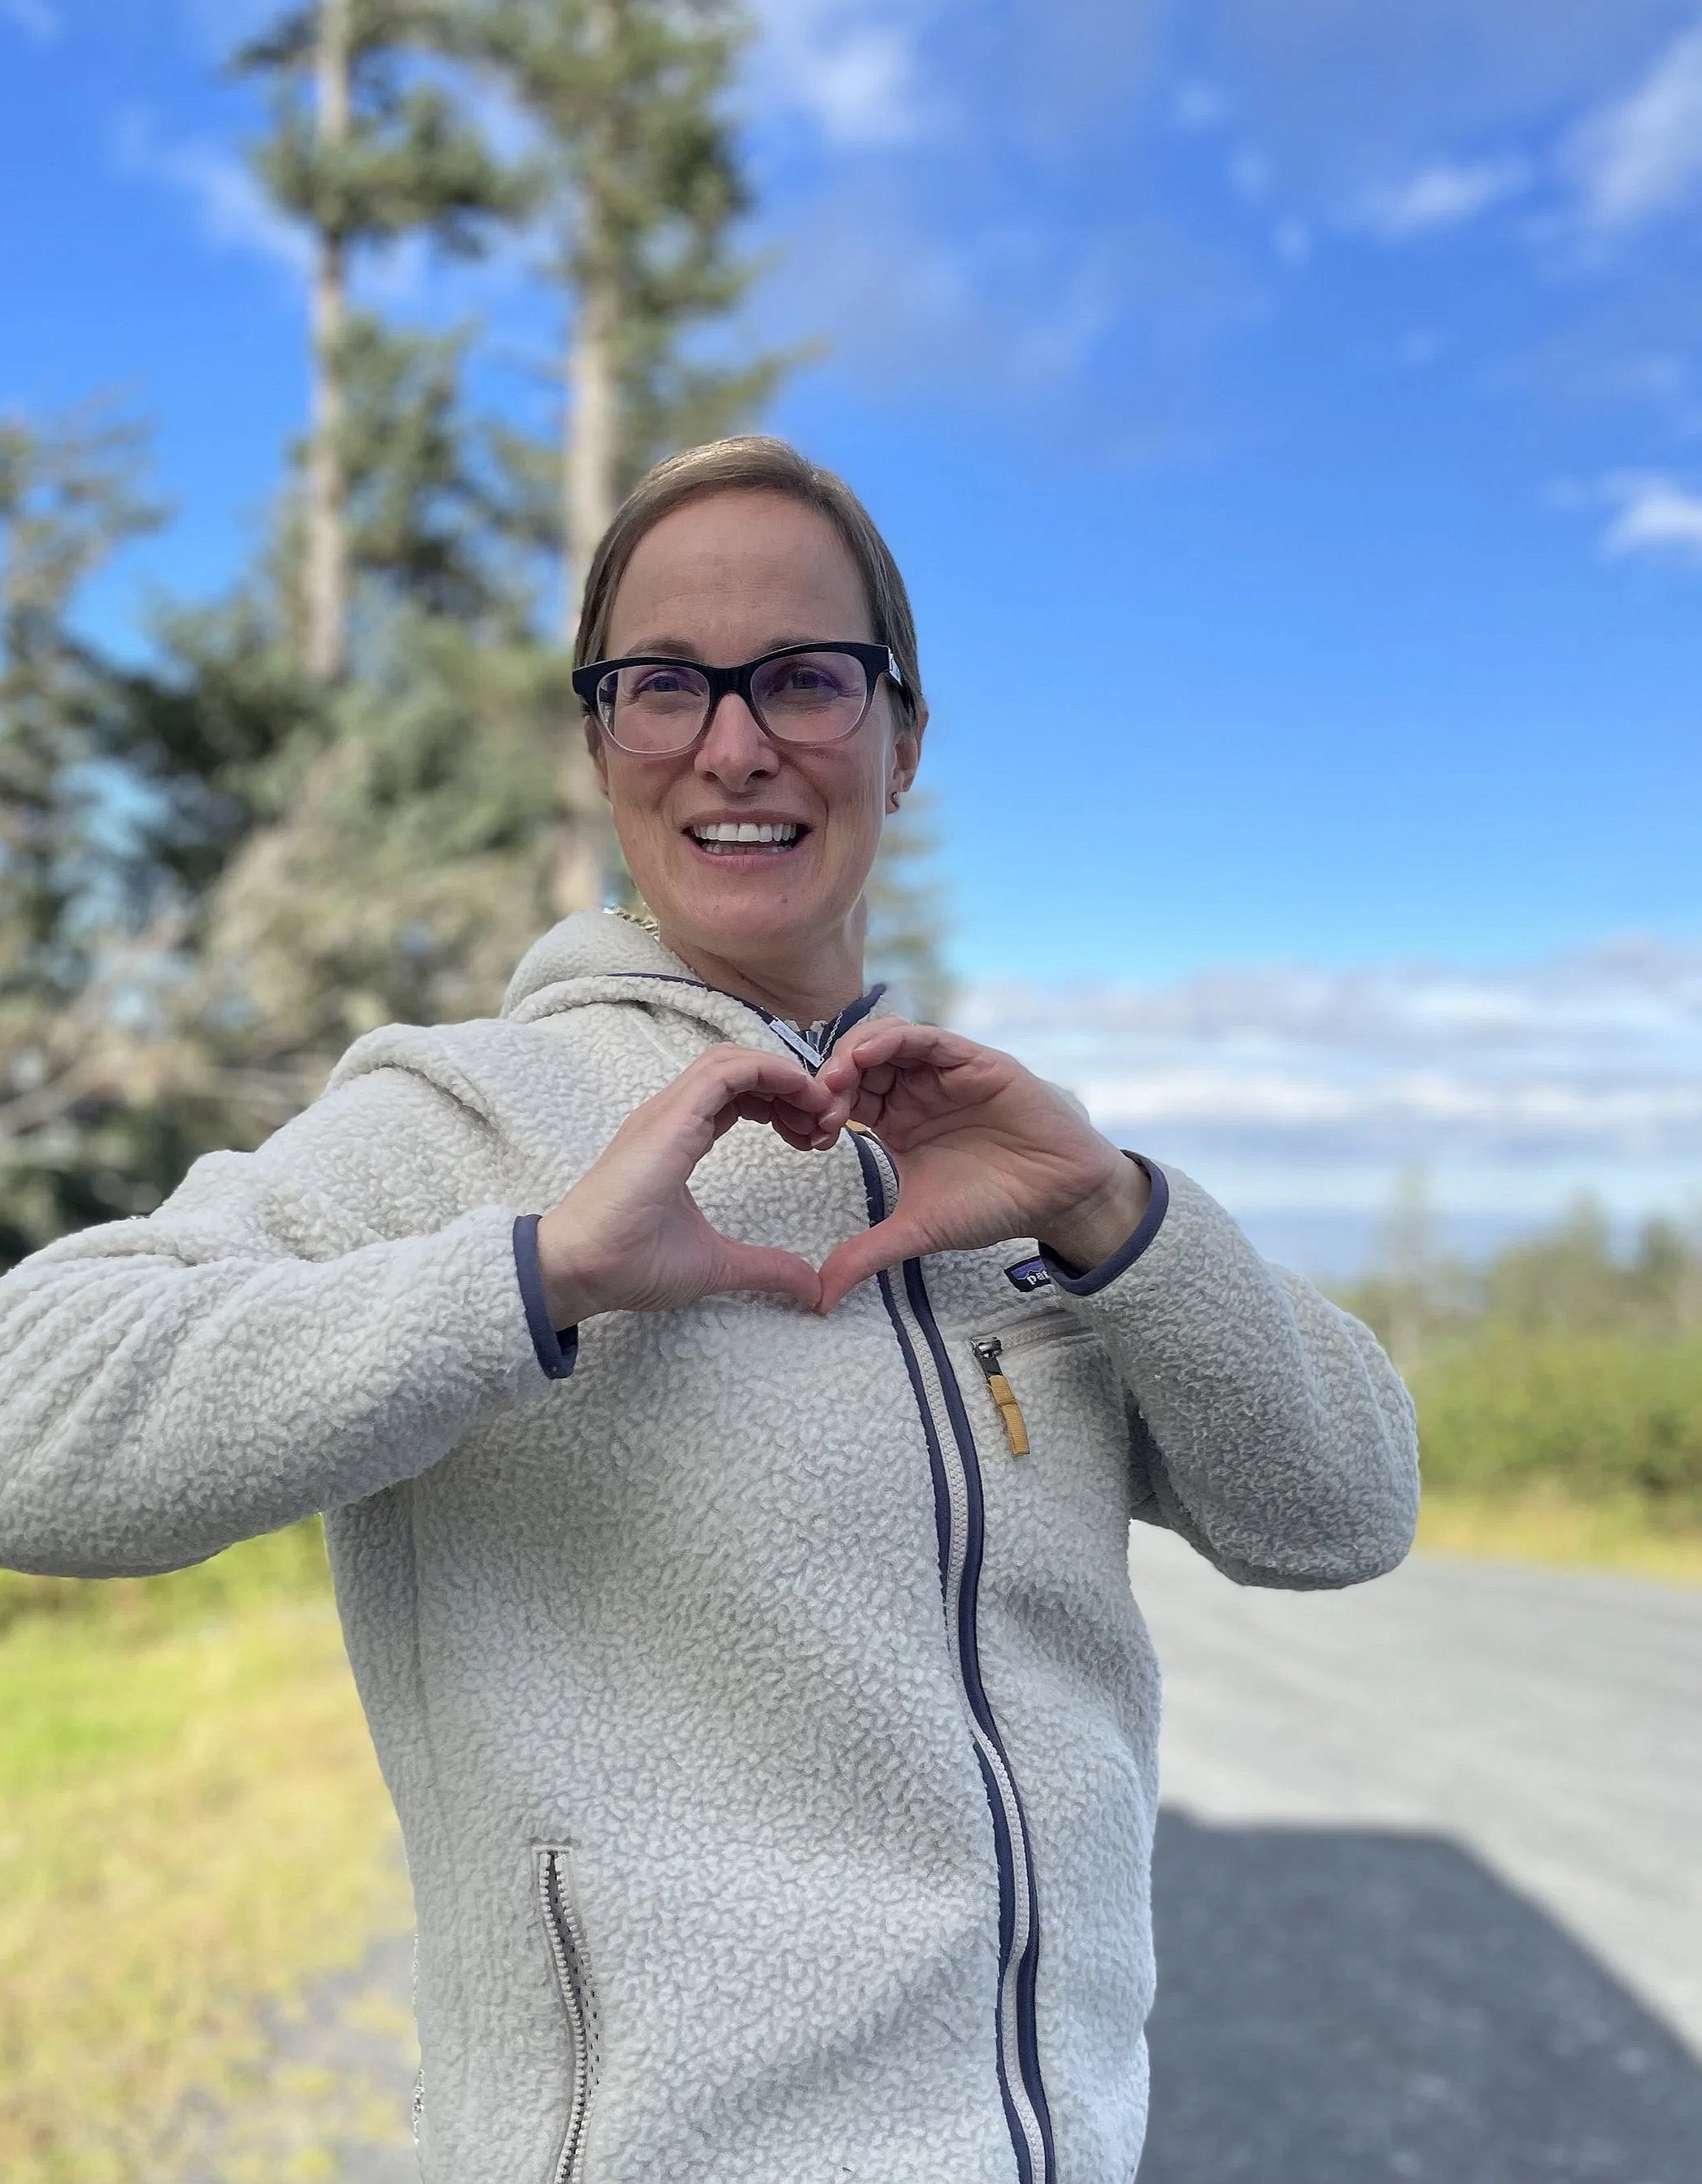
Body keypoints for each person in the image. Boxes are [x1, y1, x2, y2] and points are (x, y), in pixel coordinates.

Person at [0, 435, 1419, 2184]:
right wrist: (536, 1277)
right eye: (665, 682)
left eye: (808, 680)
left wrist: (1120, 1216)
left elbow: (1346, 1516)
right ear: (603, 743)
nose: (735, 742)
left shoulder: (1001, 1156)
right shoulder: (463, 1118)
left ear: (904, 739)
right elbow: (25, 1424)